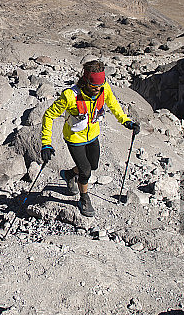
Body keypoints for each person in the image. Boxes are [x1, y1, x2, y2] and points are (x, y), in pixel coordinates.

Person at [40, 60, 138, 217]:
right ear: (85, 81)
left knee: (93, 166)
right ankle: (84, 199)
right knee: (85, 171)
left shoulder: (103, 89)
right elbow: (49, 115)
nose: (98, 89)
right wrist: (46, 143)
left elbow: (113, 104)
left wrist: (125, 121)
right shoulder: (70, 96)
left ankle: (69, 174)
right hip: (74, 138)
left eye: (100, 85)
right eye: (94, 86)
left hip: (93, 135)